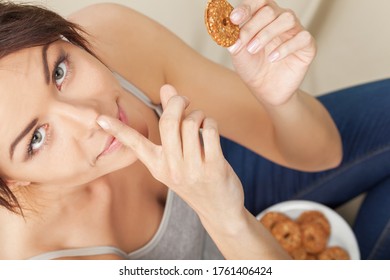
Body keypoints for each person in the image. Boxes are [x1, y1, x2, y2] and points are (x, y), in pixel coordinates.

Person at [0, 0, 387, 260]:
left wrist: (277, 100)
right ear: (11, 180)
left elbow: (323, 153)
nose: (91, 118)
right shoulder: (49, 260)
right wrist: (224, 215)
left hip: (226, 165)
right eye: (35, 139)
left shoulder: (111, 38)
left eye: (60, 71)